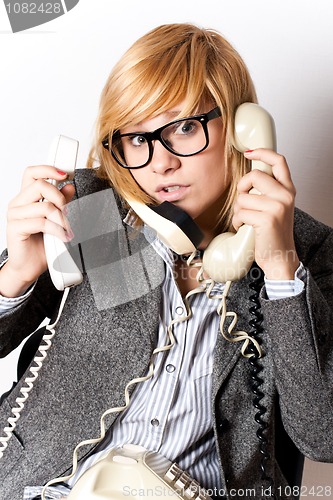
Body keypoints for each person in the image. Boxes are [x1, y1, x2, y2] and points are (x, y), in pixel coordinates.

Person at [0, 23, 332, 500]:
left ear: (242, 129)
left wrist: (279, 267)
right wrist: (15, 277)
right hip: (48, 487)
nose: (160, 164)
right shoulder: (100, 212)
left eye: (183, 128)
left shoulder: (307, 251)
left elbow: (323, 436)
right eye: (137, 138)